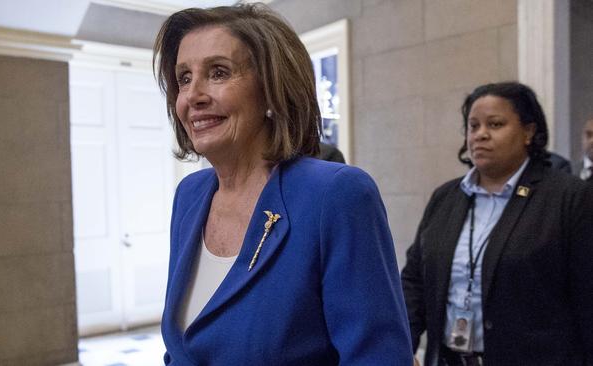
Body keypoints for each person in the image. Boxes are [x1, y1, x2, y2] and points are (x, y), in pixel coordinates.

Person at [153, 4, 412, 365]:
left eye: (218, 73)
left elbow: (376, 357)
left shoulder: (336, 194)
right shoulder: (190, 195)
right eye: (183, 78)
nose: (192, 95)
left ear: (272, 91)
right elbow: (182, 348)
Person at [401, 82, 593, 366]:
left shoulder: (569, 197)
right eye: (473, 126)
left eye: (495, 124)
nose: (480, 135)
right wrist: (402, 345)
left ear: (529, 131)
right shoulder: (446, 197)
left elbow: (586, 299)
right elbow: (415, 282)